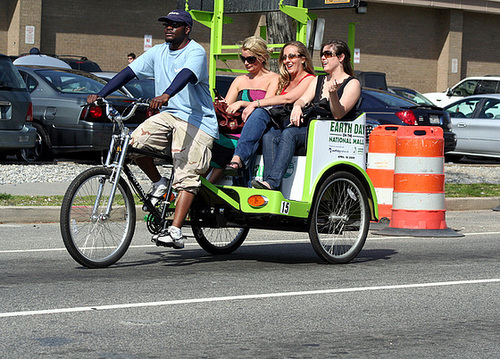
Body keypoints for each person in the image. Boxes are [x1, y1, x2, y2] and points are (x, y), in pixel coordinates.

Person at [87, 9, 217, 249]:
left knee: (185, 172)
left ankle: (175, 230)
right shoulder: (158, 52)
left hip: (197, 120)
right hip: (169, 115)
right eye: (166, 24)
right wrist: (101, 94)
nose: (168, 27)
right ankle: (159, 183)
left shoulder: (196, 51)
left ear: (186, 29)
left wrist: (166, 94)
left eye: (175, 24)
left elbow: (186, 75)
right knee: (132, 145)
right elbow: (128, 73)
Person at [252, 39, 361, 190]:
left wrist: (333, 94)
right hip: (311, 128)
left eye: (328, 54)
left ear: (341, 57)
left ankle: (272, 183)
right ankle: (269, 187)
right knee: (270, 136)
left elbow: (338, 115)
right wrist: (297, 106)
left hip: (331, 133)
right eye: (322, 54)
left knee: (290, 133)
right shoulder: (319, 80)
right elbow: (302, 100)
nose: (323, 58)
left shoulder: (352, 83)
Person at [224, 41, 316, 176]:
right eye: (284, 57)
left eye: (291, 56)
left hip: (293, 125)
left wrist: (253, 103)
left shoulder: (310, 79)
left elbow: (287, 99)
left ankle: (238, 158)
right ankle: (267, 183)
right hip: (276, 124)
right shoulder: (285, 80)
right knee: (267, 137)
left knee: (260, 112)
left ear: (303, 59)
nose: (287, 61)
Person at [208, 36, 279, 184]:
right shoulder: (240, 80)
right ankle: (199, 186)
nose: (246, 63)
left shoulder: (274, 78)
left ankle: (207, 186)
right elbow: (227, 107)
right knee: (211, 141)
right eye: (243, 58)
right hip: (235, 126)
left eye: (251, 59)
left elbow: (267, 105)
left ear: (262, 57)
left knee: (227, 143)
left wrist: (241, 103)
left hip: (258, 127)